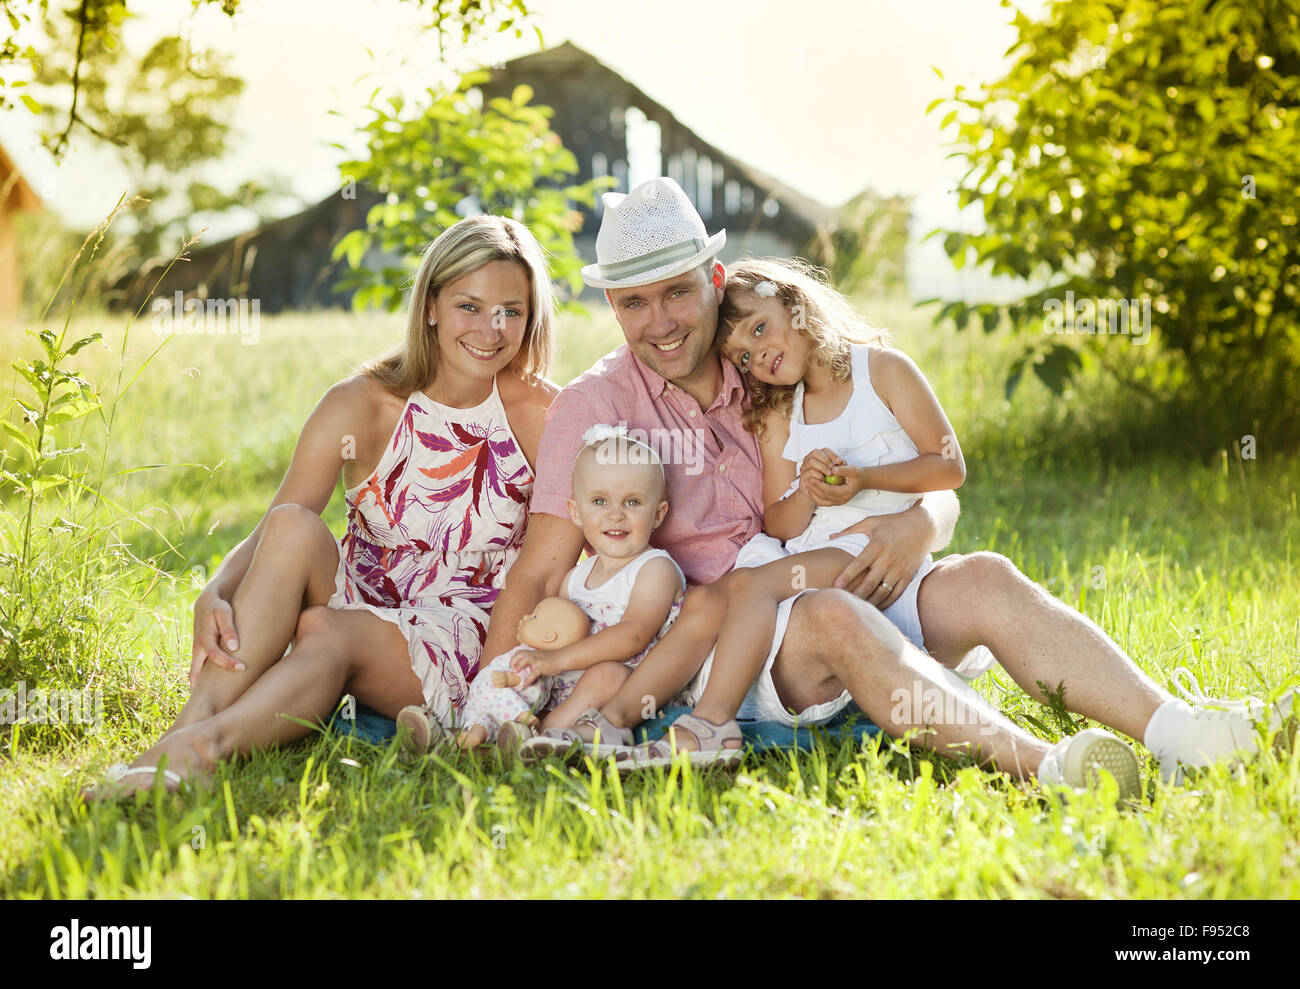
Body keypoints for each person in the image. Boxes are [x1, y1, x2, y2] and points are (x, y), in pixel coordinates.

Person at [501, 176, 1294, 793]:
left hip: (848, 571)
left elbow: (924, 474)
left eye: (677, 291)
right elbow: (541, 567)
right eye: (635, 303)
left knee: (983, 576)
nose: (662, 322)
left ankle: (1184, 734)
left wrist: (924, 526)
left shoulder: (774, 367)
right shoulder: (594, 406)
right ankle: (1053, 767)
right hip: (724, 640)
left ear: (714, 279)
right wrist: (490, 697)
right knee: (832, 612)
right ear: (611, 305)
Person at [84, 215, 558, 798]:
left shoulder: (538, 414)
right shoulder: (361, 403)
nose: (492, 329)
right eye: (470, 306)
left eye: (512, 310)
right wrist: (215, 591)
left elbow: (562, 553)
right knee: (292, 528)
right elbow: (274, 525)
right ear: (430, 304)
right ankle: (181, 732)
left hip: (459, 636)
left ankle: (207, 750)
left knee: (325, 630)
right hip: (363, 593)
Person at [454, 426, 685, 753]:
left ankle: (543, 736)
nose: (615, 514)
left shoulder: (654, 569)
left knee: (607, 674)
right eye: (600, 501)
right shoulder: (575, 577)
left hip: (630, 687)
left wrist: (555, 659)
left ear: (658, 513)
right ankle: (475, 729)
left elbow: (633, 635)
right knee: (511, 665)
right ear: (576, 512)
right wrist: (533, 653)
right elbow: (555, 634)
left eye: (632, 502)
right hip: (564, 685)